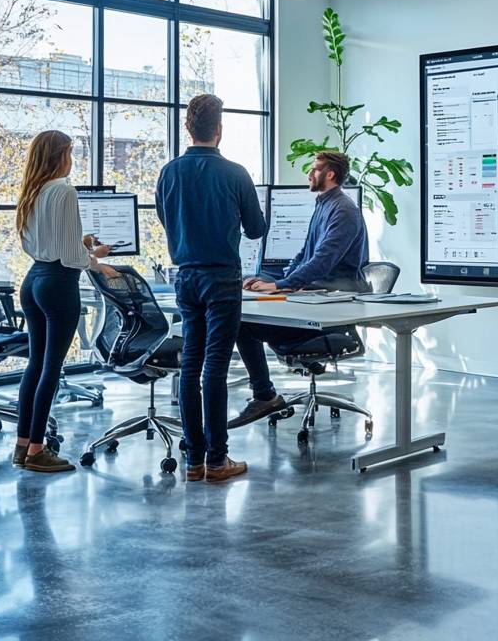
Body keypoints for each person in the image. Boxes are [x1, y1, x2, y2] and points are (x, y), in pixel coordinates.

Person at [155, 94, 266, 483]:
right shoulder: (235, 173)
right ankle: (218, 461)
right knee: (215, 368)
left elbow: (166, 218)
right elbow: (256, 229)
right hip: (222, 278)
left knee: (190, 366)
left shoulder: (169, 172)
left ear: (189, 129)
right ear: (219, 130)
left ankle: (194, 462)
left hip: (185, 276)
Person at [232, 151, 368, 427]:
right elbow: (305, 254)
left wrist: (281, 286)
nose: (309, 174)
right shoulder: (325, 204)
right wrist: (275, 281)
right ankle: (282, 380)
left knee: (241, 324)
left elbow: (322, 262)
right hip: (312, 296)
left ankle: (264, 395)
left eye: (315, 169)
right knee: (252, 292)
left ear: (330, 174)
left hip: (331, 307)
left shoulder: (344, 211)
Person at [14, 130, 117, 473]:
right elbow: (71, 257)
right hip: (59, 284)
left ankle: (22, 446)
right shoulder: (65, 190)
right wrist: (97, 261)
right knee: (52, 368)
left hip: (34, 281)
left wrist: (81, 243)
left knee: (35, 365)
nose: (72, 160)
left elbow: (50, 244)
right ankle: (38, 451)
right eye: (70, 153)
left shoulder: (34, 191)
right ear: (60, 156)